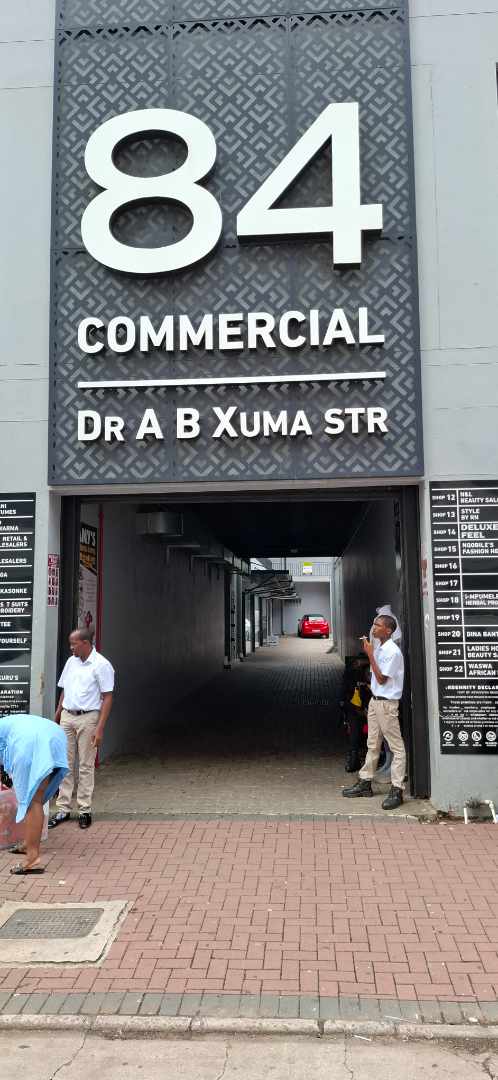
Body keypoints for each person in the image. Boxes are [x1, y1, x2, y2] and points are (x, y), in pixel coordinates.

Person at [49, 627, 114, 830]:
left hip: (88, 718)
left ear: (85, 643)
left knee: (85, 765)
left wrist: (100, 728)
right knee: (64, 763)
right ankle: (63, 809)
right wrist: (58, 713)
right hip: (67, 716)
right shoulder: (71, 662)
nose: (71, 647)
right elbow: (65, 690)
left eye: (73, 644)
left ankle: (84, 809)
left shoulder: (101, 665)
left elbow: (108, 697)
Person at [343, 614, 406, 810]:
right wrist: (370, 654)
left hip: (386, 704)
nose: (374, 628)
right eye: (374, 624)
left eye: (378, 625)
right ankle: (365, 782)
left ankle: (397, 789)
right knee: (372, 744)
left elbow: (381, 679)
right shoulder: (380, 648)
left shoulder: (393, 652)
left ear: (388, 630)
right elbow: (373, 676)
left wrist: (370, 654)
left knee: (397, 748)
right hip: (375, 702)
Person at [0, 713, 68, 874]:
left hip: (30, 742)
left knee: (32, 800)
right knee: (37, 795)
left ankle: (32, 859)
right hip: (54, 735)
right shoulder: (6, 723)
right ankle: (28, 844)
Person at [340, 656, 370, 772]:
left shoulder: (350, 676)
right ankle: (355, 757)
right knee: (356, 729)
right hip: (359, 709)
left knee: (355, 730)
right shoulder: (357, 678)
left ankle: (354, 757)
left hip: (359, 709)